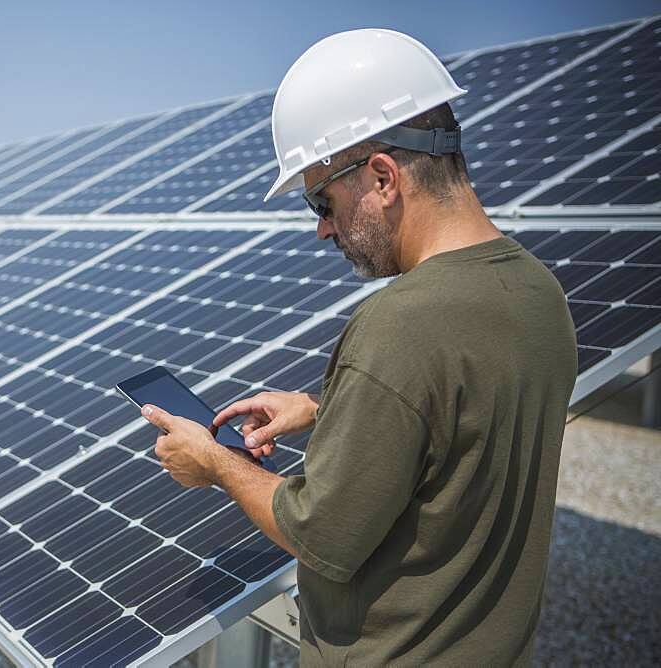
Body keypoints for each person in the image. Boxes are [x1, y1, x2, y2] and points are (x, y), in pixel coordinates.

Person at [139, 28, 577, 666]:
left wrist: (216, 464)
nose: (321, 229)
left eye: (321, 197)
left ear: (381, 177)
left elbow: (321, 535)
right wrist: (330, 410)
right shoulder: (538, 292)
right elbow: (468, 419)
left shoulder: (400, 324)